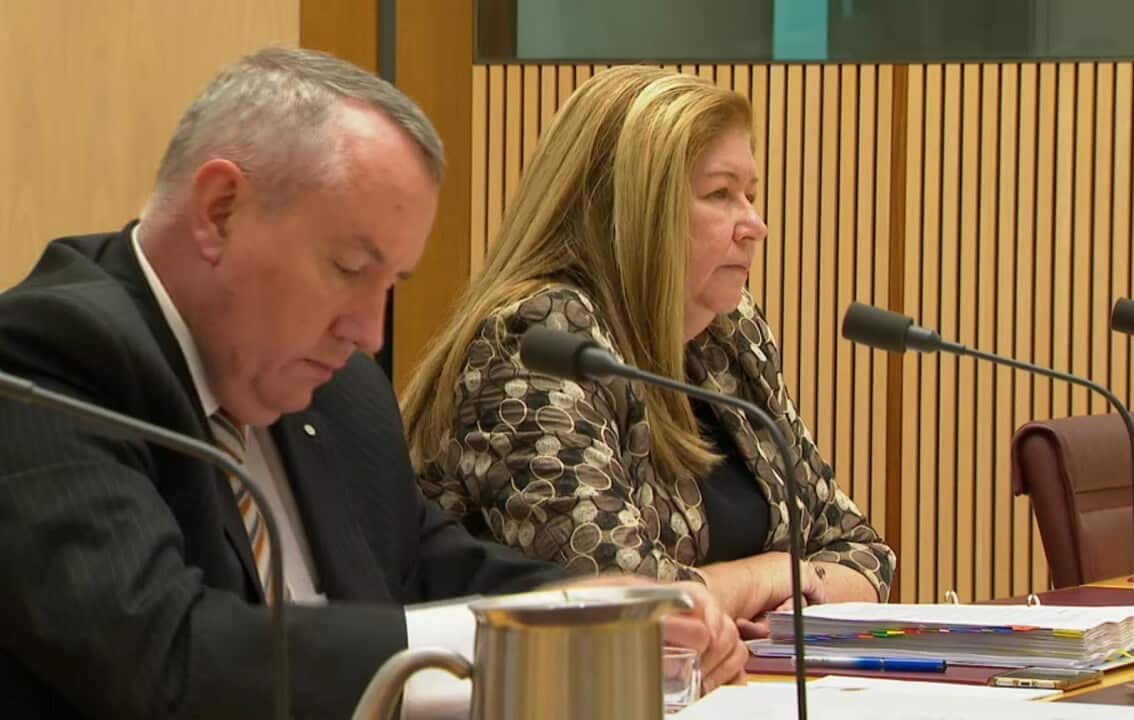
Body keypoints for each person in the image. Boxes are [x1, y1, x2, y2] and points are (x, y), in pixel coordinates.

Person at [0, 49, 743, 719]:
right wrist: (498, 640)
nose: (370, 333)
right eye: (351, 270)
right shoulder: (49, 359)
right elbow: (167, 654)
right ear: (219, 212)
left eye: (391, 284)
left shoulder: (337, 388)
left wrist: (602, 614)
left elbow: (424, 566)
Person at [401, 66, 897, 632]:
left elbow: (862, 549)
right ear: (632, 211)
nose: (755, 225)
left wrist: (794, 594)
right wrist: (771, 575)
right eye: (721, 194)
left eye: (751, 196)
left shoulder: (728, 336)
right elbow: (615, 594)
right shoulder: (541, 340)